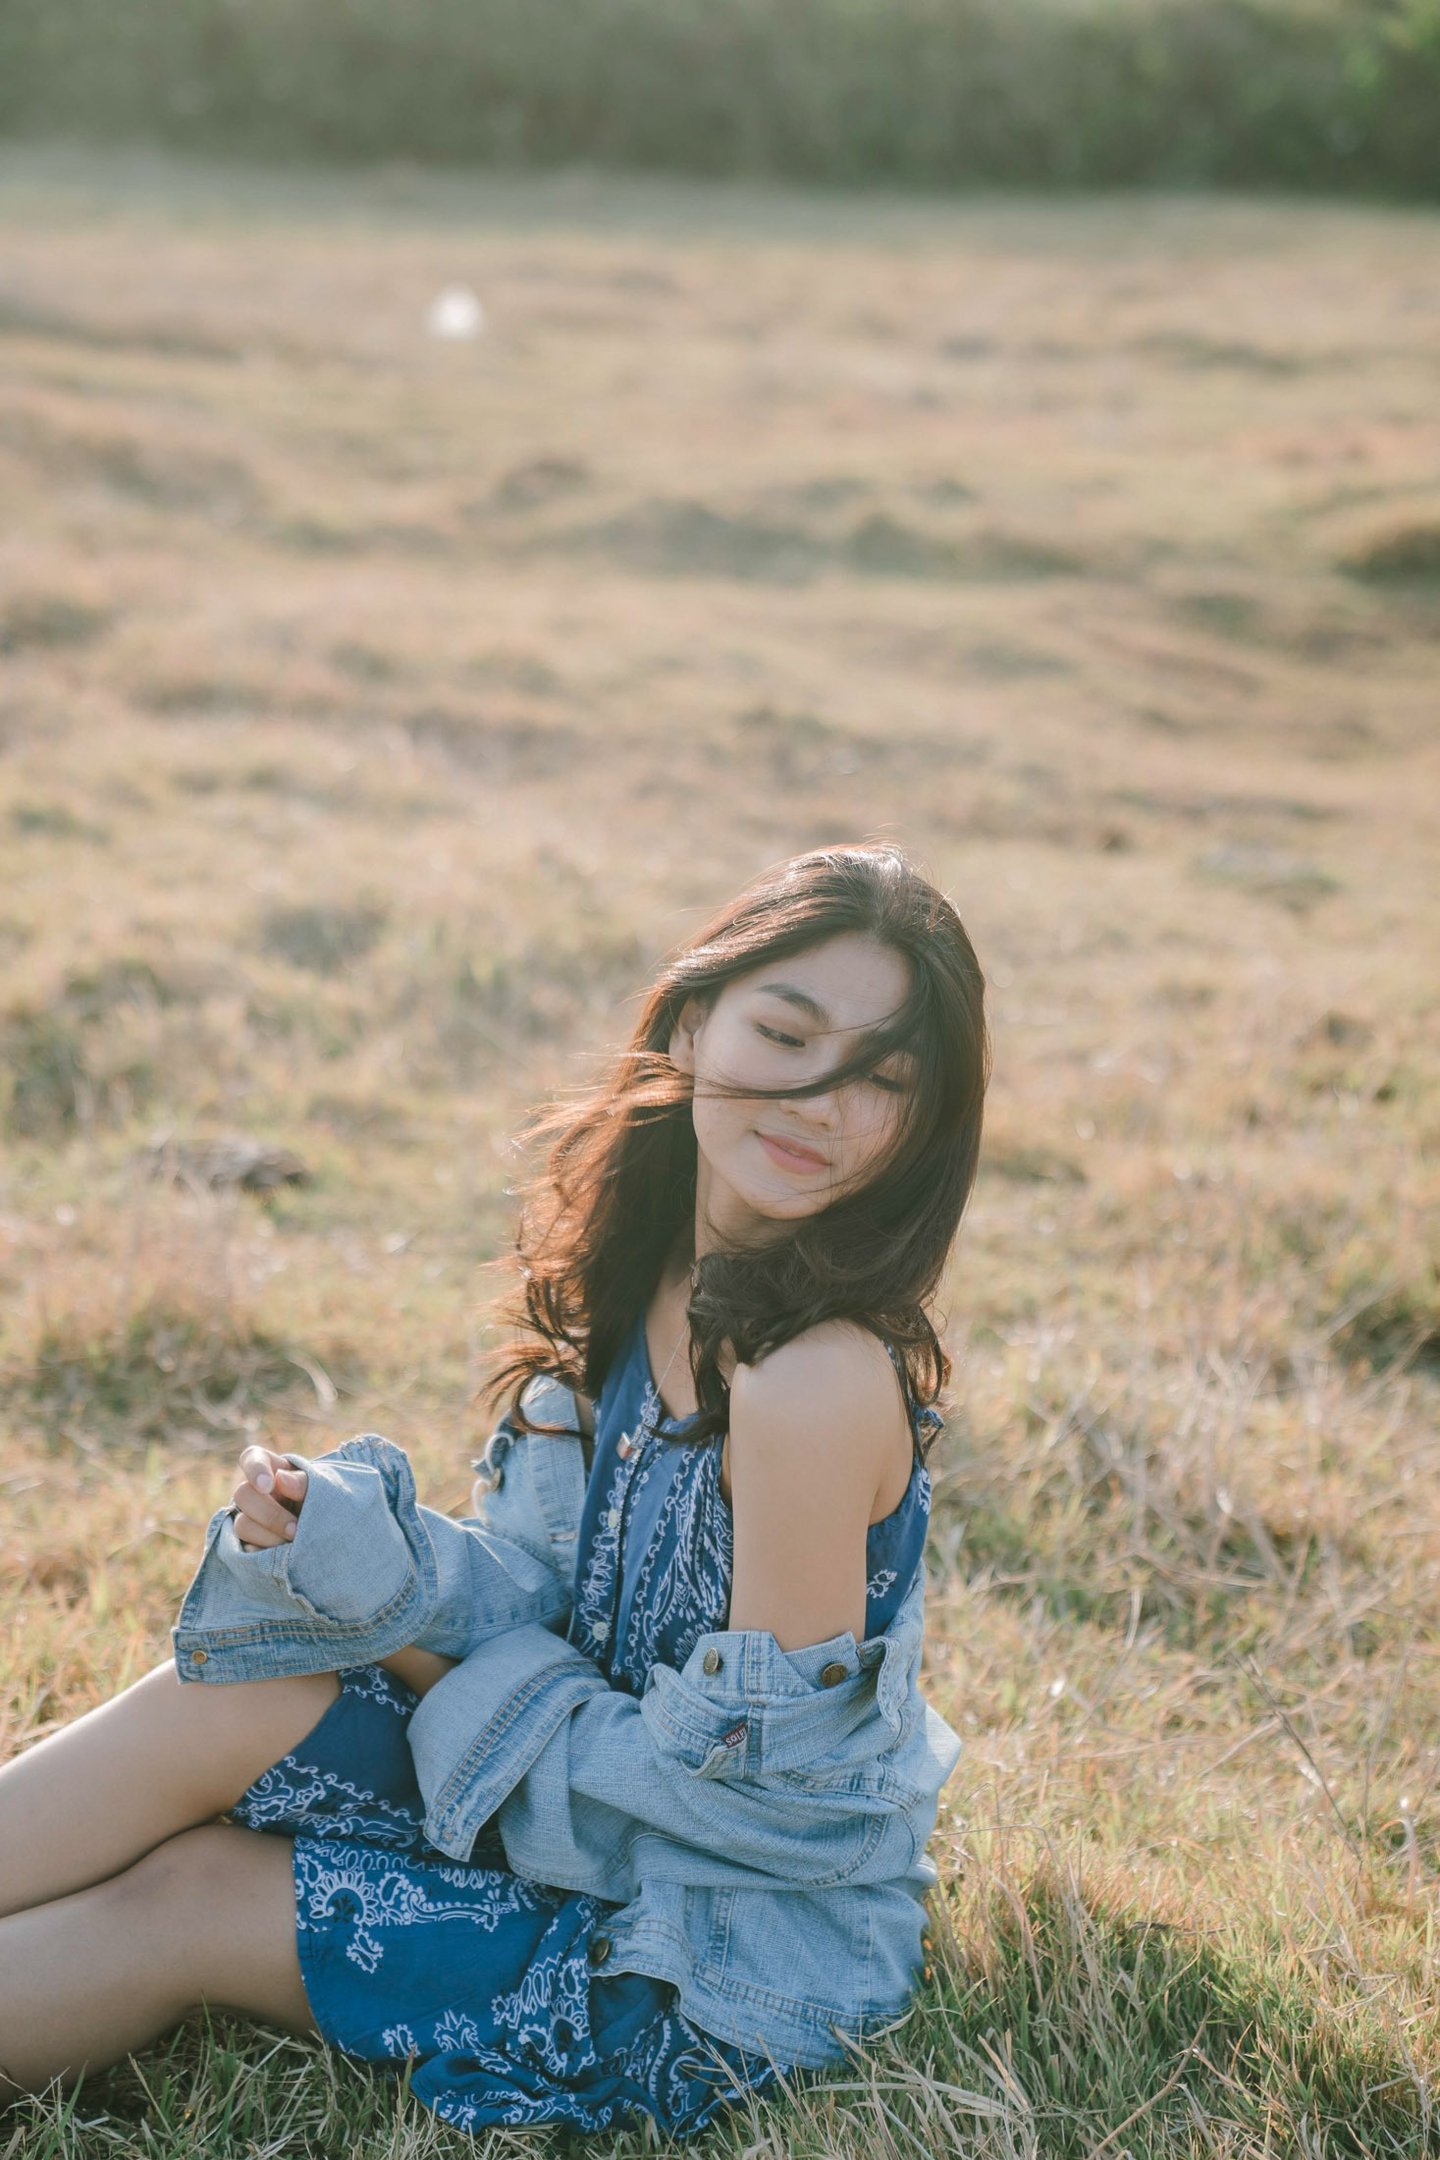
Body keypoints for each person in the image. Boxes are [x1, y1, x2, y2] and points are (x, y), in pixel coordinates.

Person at [0, 841, 990, 2139]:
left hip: (704, 1951)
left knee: (191, 1898)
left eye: (884, 1080)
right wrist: (371, 1561)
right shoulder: (648, 1280)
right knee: (236, 1692)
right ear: (693, 1021)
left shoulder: (814, 1387)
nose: (821, 1101)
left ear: (924, 1124)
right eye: (787, 1034)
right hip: (580, 1819)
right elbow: (543, 1586)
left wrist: (425, 1658)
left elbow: (758, 1814)